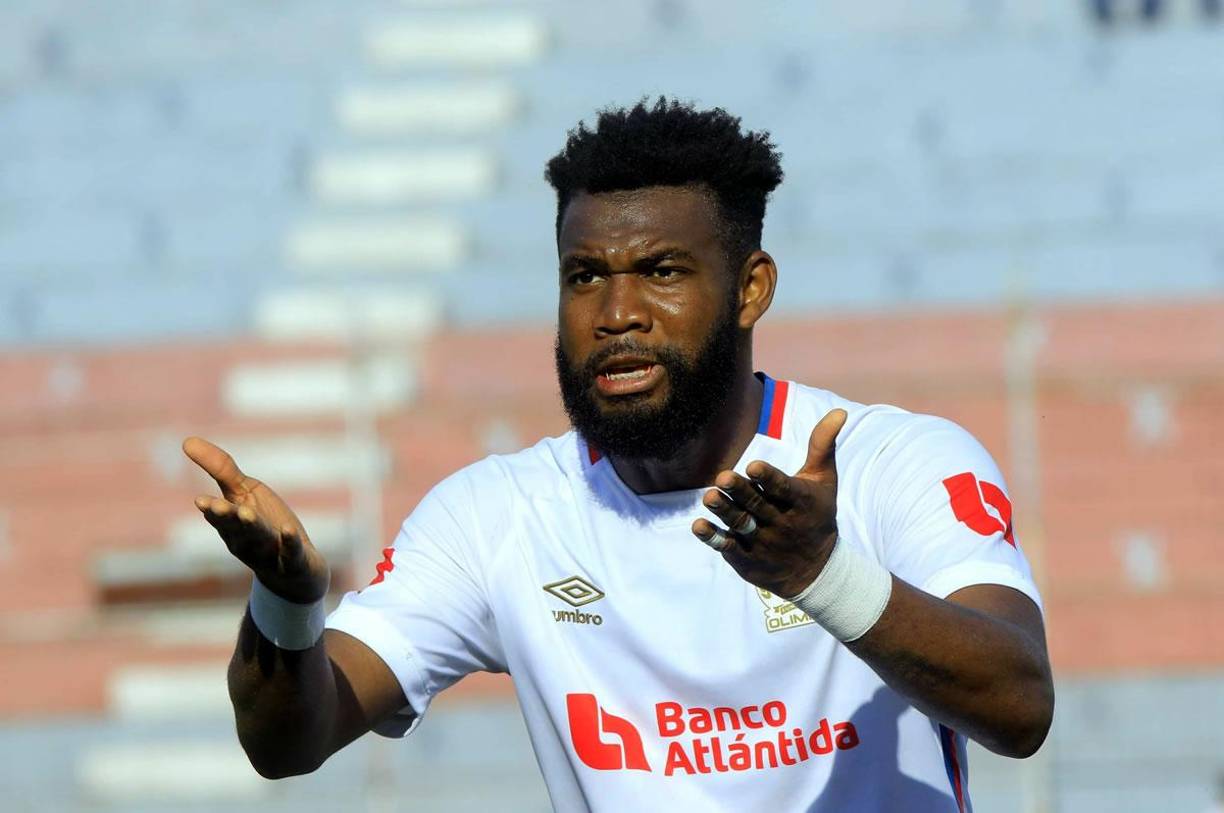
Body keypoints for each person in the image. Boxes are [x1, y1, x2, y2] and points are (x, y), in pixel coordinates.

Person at [183, 98, 1053, 811]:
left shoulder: (891, 461)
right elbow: (288, 742)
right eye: (584, 275)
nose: (616, 312)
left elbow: (1019, 706)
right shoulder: (497, 515)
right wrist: (287, 604)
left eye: (663, 271)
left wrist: (824, 575)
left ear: (752, 288)